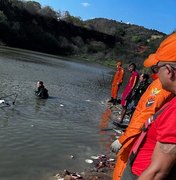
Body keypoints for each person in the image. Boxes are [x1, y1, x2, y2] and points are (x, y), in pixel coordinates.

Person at [120, 32, 176, 179]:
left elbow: (157, 172)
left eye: (156, 68)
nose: (155, 73)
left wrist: (122, 139)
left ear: (169, 71)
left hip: (141, 172)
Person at [111, 77, 174, 180]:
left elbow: (145, 115)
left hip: (138, 138)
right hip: (140, 135)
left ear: (168, 69)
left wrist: (123, 139)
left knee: (122, 166)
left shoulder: (162, 84)